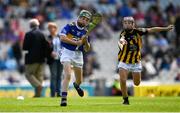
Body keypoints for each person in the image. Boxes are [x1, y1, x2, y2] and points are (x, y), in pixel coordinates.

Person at [117, 16, 173, 105]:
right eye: (125, 23)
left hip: (136, 62)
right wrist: (121, 42)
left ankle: (129, 92)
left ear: (133, 24)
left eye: (128, 23)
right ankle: (125, 99)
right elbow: (121, 40)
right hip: (124, 61)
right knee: (123, 80)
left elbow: (152, 29)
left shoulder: (139, 31)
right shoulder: (123, 34)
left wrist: (165, 29)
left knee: (137, 83)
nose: (126, 25)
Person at [58, 10, 91, 106]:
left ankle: (76, 85)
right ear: (79, 17)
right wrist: (76, 42)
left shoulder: (85, 31)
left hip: (78, 55)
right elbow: (62, 37)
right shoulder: (70, 26)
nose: (84, 21)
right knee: (67, 75)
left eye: (86, 20)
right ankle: (63, 98)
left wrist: (86, 42)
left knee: (79, 80)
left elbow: (87, 49)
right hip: (66, 52)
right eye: (83, 18)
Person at [23, 19, 50, 97]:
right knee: (39, 76)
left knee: (28, 74)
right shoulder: (43, 34)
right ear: (38, 25)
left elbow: (25, 47)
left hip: (32, 59)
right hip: (42, 59)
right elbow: (47, 46)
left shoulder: (28, 34)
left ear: (30, 26)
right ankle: (38, 95)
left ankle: (38, 86)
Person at [47, 22, 63, 97]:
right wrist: (50, 53)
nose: (50, 29)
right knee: (53, 76)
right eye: (49, 28)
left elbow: (64, 46)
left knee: (59, 76)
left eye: (52, 27)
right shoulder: (48, 38)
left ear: (55, 28)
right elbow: (45, 49)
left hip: (60, 58)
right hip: (52, 59)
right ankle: (53, 94)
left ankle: (59, 93)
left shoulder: (60, 37)